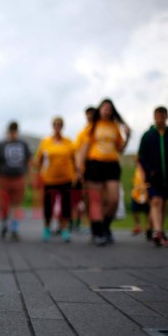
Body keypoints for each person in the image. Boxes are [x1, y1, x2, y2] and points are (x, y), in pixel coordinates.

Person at [75, 99, 131, 246]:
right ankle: (97, 230)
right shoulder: (92, 126)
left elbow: (120, 149)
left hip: (111, 164)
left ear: (112, 111)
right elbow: (84, 149)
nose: (106, 110)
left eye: (109, 108)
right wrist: (80, 168)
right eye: (104, 107)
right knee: (95, 200)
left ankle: (105, 227)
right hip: (94, 164)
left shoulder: (114, 127)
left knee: (113, 200)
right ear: (99, 109)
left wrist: (128, 136)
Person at [34, 116, 76, 242]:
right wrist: (39, 173)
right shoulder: (46, 142)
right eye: (55, 124)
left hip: (66, 178)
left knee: (65, 206)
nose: (57, 127)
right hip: (49, 179)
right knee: (48, 205)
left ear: (63, 126)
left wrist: (77, 173)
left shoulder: (68, 142)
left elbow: (74, 159)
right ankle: (47, 228)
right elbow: (39, 160)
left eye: (60, 125)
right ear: (52, 126)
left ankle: (64, 230)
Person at [138, 106, 168, 247]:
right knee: (156, 201)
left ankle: (152, 228)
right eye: (157, 116)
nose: (159, 118)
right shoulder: (148, 136)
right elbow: (141, 157)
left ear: (167, 116)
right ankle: (157, 231)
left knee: (163, 203)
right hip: (153, 177)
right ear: (154, 117)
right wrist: (147, 172)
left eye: (162, 116)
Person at [0, 121, 31, 240]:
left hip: (19, 176)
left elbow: (28, 160)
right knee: (4, 203)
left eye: (15, 131)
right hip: (5, 177)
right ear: (8, 132)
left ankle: (15, 228)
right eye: (11, 131)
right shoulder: (2, 145)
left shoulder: (23, 144)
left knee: (16, 203)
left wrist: (28, 176)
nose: (13, 134)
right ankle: (4, 224)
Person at [70, 107, 95, 233]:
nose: (89, 117)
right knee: (76, 198)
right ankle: (74, 222)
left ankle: (89, 223)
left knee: (89, 198)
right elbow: (76, 151)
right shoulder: (83, 132)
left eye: (91, 115)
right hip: (81, 171)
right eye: (87, 115)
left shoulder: (97, 131)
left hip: (94, 170)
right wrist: (78, 170)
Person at [129, 160, 152, 238]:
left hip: (147, 193)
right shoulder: (137, 171)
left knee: (148, 211)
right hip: (137, 194)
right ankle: (138, 225)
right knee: (134, 209)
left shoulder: (148, 170)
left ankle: (148, 227)